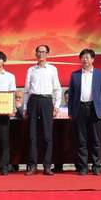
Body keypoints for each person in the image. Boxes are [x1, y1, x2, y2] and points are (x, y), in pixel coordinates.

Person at [68, 49, 101, 176]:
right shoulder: (75, 75)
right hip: (80, 108)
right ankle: (83, 167)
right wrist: (70, 111)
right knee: (81, 140)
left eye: (87, 57)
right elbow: (71, 94)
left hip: (95, 108)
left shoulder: (100, 74)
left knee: (96, 140)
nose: (85, 60)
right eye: (83, 57)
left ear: (93, 59)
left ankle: (96, 166)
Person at [23, 45, 62, 175]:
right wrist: (25, 108)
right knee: (32, 135)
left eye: (43, 52)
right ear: (36, 54)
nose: (41, 54)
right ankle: (33, 166)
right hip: (33, 101)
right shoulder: (31, 70)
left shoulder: (52, 69)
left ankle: (47, 166)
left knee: (47, 135)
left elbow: (57, 89)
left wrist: (56, 106)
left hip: (46, 101)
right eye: (39, 52)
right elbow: (26, 91)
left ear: (47, 54)